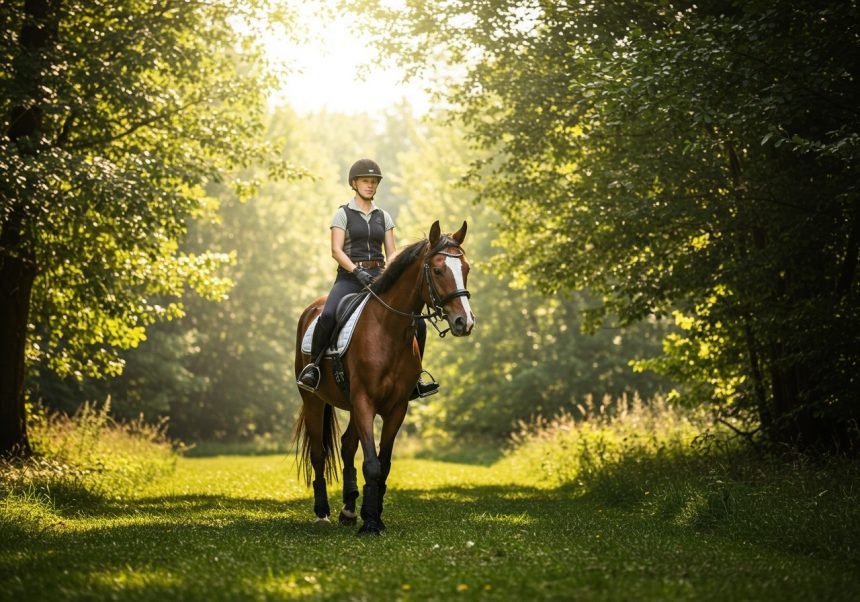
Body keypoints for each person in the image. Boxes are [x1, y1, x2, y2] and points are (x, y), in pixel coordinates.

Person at [296, 158, 439, 399]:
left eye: (373, 182)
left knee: (420, 323)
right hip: (349, 278)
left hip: (380, 277)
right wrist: (355, 270)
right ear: (354, 183)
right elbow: (336, 250)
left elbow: (392, 252)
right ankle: (315, 368)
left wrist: (394, 273)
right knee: (329, 314)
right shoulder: (342, 214)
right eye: (366, 181)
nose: (370, 186)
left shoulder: (384, 217)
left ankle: (416, 377)